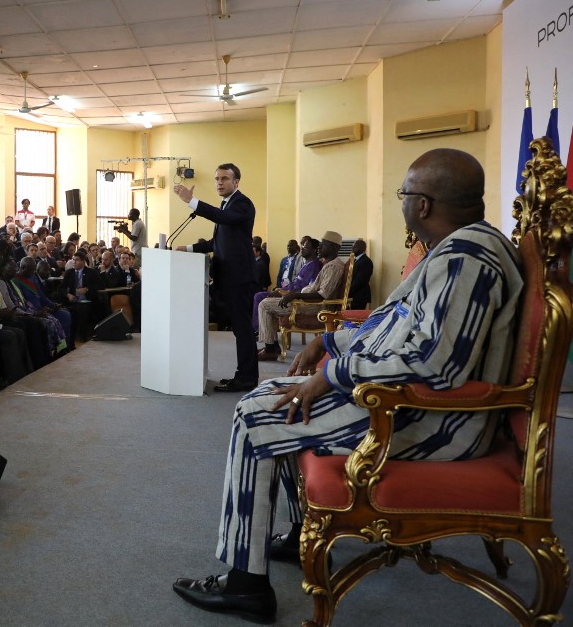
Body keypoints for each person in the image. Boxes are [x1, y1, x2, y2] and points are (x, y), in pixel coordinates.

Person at [172, 148, 523, 622]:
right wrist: (331, 342)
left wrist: (332, 374)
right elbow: (395, 323)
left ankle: (244, 586)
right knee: (271, 398)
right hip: (404, 400)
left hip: (433, 419)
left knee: (256, 416)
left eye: (402, 194)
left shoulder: (467, 261)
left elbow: (436, 365)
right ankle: (299, 537)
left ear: (422, 205)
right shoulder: (456, 250)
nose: (399, 202)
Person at [174, 163, 258, 392]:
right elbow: (216, 243)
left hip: (239, 277)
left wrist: (192, 202)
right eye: (217, 179)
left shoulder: (242, 204)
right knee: (239, 329)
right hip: (229, 277)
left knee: (243, 329)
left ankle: (247, 378)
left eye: (224, 179)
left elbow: (222, 218)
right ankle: (244, 375)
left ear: (236, 182)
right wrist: (188, 248)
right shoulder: (227, 205)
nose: (219, 183)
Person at [256, 231, 346, 361]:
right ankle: (272, 347)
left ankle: (270, 349)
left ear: (335, 248)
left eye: (324, 245)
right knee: (267, 300)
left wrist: (294, 296)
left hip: (315, 307)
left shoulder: (334, 267)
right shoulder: (329, 264)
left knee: (264, 305)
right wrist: (293, 294)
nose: (320, 247)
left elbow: (322, 295)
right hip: (307, 302)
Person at [349, 239, 373, 308]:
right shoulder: (356, 260)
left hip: (359, 296)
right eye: (352, 246)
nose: (352, 249)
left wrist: (347, 293)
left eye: (354, 247)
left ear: (361, 248)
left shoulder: (366, 261)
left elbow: (359, 281)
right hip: (354, 295)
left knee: (355, 317)